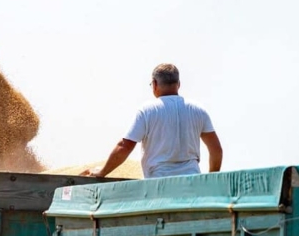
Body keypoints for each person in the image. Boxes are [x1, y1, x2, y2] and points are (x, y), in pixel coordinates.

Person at [83, 63, 222, 179]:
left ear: (155, 84)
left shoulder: (148, 110)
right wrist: (210, 180)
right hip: (192, 183)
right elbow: (216, 150)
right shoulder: (198, 110)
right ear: (178, 84)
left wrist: (102, 172)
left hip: (158, 184)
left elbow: (124, 146)